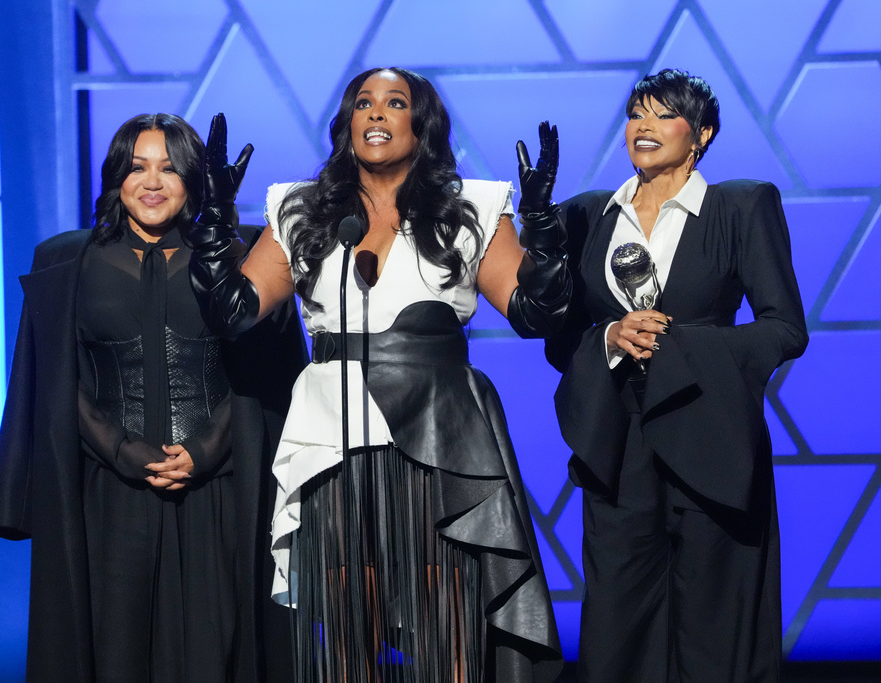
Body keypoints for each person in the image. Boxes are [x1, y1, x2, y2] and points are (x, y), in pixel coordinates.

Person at [188, 68, 568, 682]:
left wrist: (542, 225)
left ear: (422, 127)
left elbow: (535, 312)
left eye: (395, 103)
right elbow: (233, 312)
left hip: (440, 438)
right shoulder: (304, 211)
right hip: (335, 435)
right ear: (347, 124)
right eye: (363, 103)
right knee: (346, 624)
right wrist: (215, 220)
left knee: (446, 622)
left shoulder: (470, 208)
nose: (377, 113)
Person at [0, 113, 306, 682]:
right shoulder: (66, 262)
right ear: (116, 177)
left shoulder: (243, 257)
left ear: (194, 179)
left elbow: (270, 378)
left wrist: (203, 451)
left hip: (219, 492)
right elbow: (56, 382)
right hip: (107, 494)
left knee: (216, 654)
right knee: (115, 655)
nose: (152, 182)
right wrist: (124, 451)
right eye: (137, 167)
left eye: (169, 168)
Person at [545, 69, 809, 682]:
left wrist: (681, 346)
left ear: (702, 135)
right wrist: (609, 337)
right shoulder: (588, 216)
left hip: (712, 430)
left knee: (715, 626)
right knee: (619, 624)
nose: (645, 126)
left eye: (664, 115)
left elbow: (784, 328)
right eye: (637, 113)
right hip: (619, 440)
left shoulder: (740, 206)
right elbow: (559, 338)